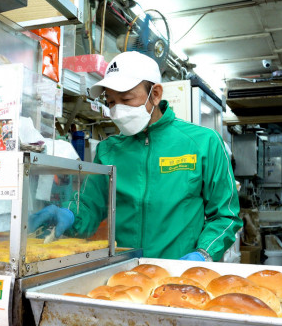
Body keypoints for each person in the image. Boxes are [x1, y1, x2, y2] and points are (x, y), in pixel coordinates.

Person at [29, 51, 242, 261]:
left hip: (181, 275)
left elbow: (226, 216)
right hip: (123, 274)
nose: (118, 110)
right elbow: (90, 205)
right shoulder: (108, 150)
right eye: (111, 102)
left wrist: (204, 253)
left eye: (126, 99)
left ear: (155, 94)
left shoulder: (204, 143)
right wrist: (70, 214)